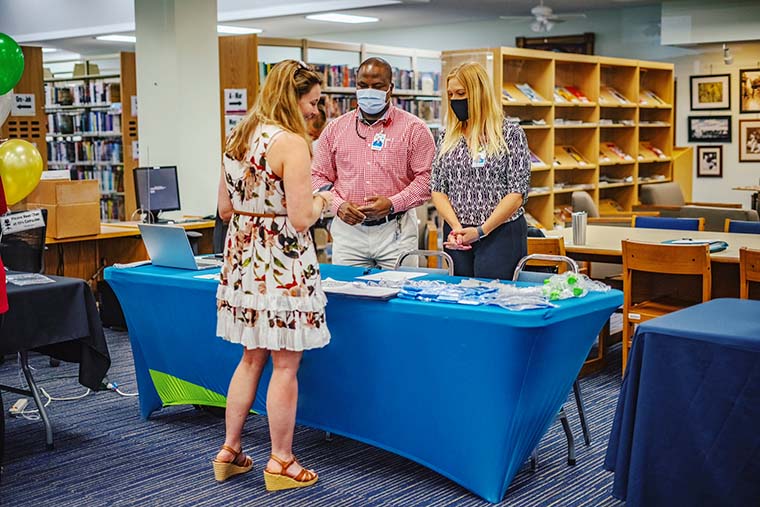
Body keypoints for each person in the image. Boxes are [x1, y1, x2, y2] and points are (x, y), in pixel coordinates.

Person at [213, 59, 332, 492]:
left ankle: (229, 450)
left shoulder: (237, 135)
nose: (315, 112)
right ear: (292, 98)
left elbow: (225, 210)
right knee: (286, 364)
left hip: (244, 263)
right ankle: (281, 460)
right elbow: (301, 218)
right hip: (283, 266)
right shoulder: (291, 144)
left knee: (250, 357)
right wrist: (326, 201)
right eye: (312, 102)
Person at [311, 57, 436, 269]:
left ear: (390, 88)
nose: (369, 91)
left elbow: (427, 179)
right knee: (347, 295)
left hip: (395, 231)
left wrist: (393, 203)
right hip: (349, 232)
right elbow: (317, 176)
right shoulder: (335, 129)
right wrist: (338, 205)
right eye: (362, 85)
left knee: (399, 295)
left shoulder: (414, 129)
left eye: (377, 86)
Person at [430, 62, 530, 279]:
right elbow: (438, 189)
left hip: (499, 233)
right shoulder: (448, 136)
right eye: (451, 94)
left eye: (461, 93)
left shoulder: (510, 134)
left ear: (479, 94)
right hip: (457, 235)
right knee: (458, 298)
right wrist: (456, 228)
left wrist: (481, 231)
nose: (455, 100)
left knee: (494, 298)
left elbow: (516, 193)